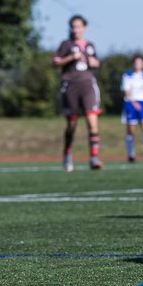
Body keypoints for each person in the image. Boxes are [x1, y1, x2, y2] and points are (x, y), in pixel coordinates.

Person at [53, 15, 103, 171]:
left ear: (84, 28)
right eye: (73, 27)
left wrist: (92, 61)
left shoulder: (90, 45)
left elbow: (96, 62)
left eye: (79, 26)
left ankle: (94, 158)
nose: (76, 29)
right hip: (70, 85)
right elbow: (55, 62)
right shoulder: (66, 44)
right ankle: (67, 154)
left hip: (87, 85)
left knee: (92, 121)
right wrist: (70, 57)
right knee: (71, 123)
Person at [121, 54, 143, 163]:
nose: (138, 65)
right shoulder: (127, 75)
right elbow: (126, 92)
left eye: (140, 63)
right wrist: (133, 102)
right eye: (136, 62)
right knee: (131, 130)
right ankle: (131, 154)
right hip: (131, 104)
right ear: (133, 64)